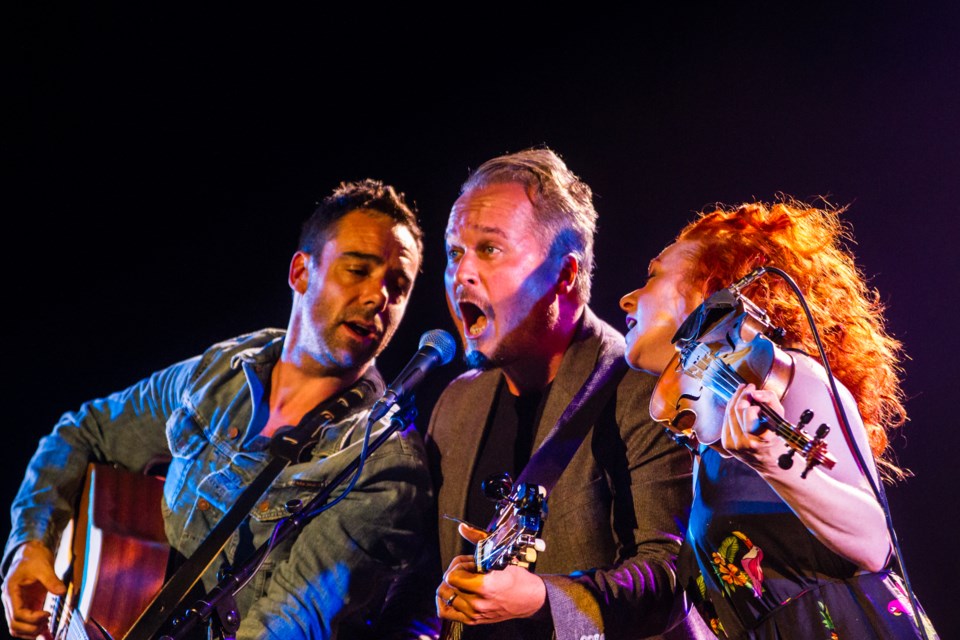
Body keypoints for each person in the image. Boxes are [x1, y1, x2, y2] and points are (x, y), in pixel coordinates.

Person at [1, 179, 436, 639]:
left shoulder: (383, 466)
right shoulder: (223, 371)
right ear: (301, 273)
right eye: (358, 270)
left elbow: (289, 624)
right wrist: (30, 544)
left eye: (398, 286)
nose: (378, 297)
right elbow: (83, 431)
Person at [619, 197, 939, 638]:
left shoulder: (791, 374)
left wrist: (773, 458)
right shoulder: (710, 428)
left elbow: (874, 541)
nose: (626, 298)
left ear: (710, 291)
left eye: (652, 275)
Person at [427, 147, 710, 639]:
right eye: (455, 253)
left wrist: (542, 599)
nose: (461, 274)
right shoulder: (456, 405)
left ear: (565, 274)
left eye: (489, 249)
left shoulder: (644, 392)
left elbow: (674, 577)